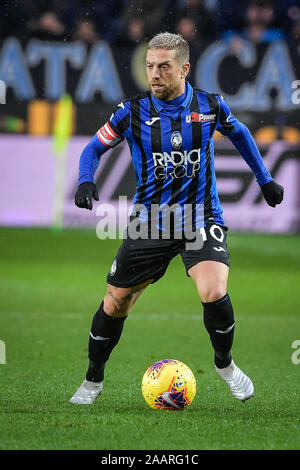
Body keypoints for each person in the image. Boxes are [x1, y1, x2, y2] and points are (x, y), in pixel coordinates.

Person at [70, 32, 284, 405]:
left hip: (201, 216)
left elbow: (242, 134)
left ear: (184, 69)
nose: (154, 74)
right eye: (150, 66)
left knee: (213, 290)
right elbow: (94, 146)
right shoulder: (131, 111)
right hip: (150, 221)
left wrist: (265, 181)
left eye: (163, 67)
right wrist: (86, 180)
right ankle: (92, 380)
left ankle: (225, 365)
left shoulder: (210, 105)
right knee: (115, 303)